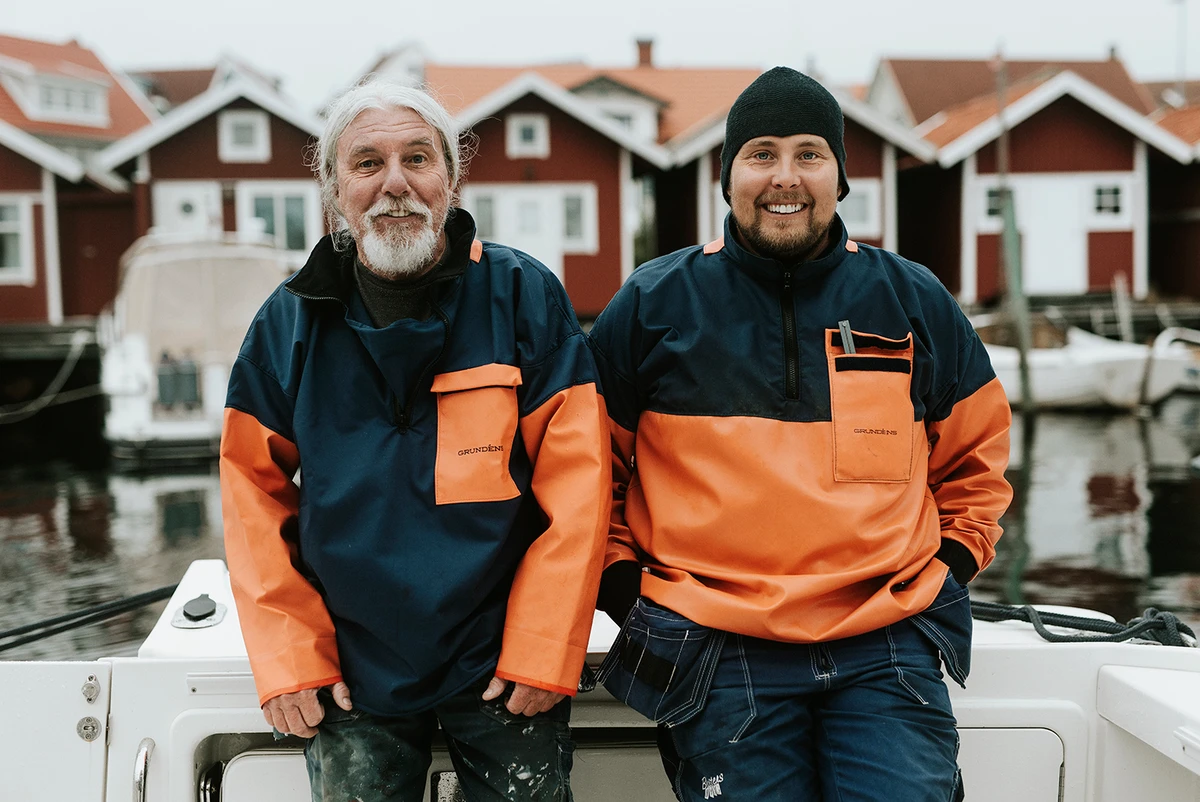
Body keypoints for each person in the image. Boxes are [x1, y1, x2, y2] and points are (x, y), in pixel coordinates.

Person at [588, 67, 1013, 802]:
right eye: (761, 154)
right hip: (715, 647)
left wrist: (947, 566)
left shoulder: (912, 299)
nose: (785, 177)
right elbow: (588, 476)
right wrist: (629, 591)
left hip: (888, 641)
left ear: (841, 177)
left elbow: (977, 466)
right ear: (727, 177)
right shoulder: (652, 305)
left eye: (810, 153)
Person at [219, 79, 610, 802]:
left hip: (503, 664)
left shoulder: (524, 297)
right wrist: (288, 658)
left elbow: (579, 487)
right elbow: (251, 497)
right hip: (349, 668)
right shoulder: (288, 324)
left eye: (417, 159)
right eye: (367, 164)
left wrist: (545, 646)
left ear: (451, 180)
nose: (394, 184)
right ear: (335, 191)